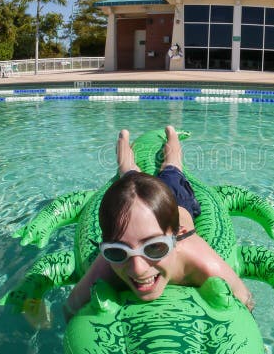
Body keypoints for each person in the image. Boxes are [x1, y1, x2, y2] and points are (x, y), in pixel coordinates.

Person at [63, 126, 254, 321]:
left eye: (154, 247)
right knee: (127, 172)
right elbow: (71, 308)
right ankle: (123, 141)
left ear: (178, 235)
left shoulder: (202, 261)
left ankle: (171, 135)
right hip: (145, 206)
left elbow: (246, 300)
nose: (137, 268)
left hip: (177, 201)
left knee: (172, 167)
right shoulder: (108, 265)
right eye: (117, 251)